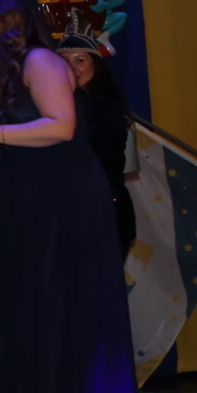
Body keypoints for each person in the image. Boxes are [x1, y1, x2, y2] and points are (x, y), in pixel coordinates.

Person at [0, 0, 148, 393]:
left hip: (63, 198)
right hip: (26, 195)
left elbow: (60, 127)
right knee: (30, 310)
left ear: (9, 21)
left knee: (58, 309)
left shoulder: (41, 60)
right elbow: (10, 144)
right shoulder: (6, 72)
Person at [56, 27, 137, 258]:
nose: (71, 67)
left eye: (80, 60)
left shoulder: (105, 108)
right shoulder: (53, 107)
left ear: (96, 65)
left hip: (101, 215)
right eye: (64, 61)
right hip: (74, 216)